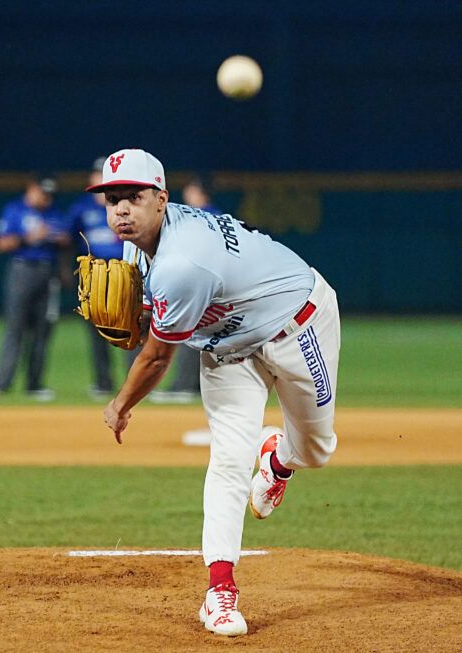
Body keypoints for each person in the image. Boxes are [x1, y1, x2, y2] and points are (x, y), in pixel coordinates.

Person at [88, 149, 341, 638]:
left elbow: (158, 357)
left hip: (299, 323)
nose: (120, 210)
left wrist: (121, 404)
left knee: (316, 448)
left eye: (133, 198)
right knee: (227, 462)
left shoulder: (184, 261)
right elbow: (155, 318)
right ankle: (220, 593)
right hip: (227, 347)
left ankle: (279, 459)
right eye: (111, 199)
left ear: (161, 200)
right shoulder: (135, 246)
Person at [0, 174, 69, 402]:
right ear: (31, 189)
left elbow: (66, 240)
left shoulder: (54, 214)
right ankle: (1, 384)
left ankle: (34, 384)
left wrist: (61, 240)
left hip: (48, 274)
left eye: (50, 195)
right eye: (43, 193)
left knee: (43, 331)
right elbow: (0, 243)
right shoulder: (14, 210)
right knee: (15, 328)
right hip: (23, 270)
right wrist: (27, 237)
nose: (46, 198)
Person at [148, 174, 221, 405]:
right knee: (204, 335)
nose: (187, 193)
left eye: (191, 189)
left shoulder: (200, 217)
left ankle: (184, 385)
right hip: (215, 286)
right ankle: (199, 386)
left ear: (199, 192)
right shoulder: (218, 216)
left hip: (198, 284)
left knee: (188, 334)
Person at [68, 158, 126, 400]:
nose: (101, 180)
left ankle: (136, 384)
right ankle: (103, 383)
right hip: (94, 277)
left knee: (130, 331)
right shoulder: (82, 209)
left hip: (124, 274)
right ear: (91, 180)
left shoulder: (124, 205)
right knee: (97, 333)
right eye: (98, 175)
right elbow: (65, 237)